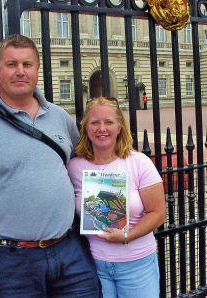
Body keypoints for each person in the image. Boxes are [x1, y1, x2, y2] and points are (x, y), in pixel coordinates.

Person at [0, 34, 100, 298]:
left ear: (37, 69)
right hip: (11, 263)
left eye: (27, 64)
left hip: (69, 252)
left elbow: (84, 168)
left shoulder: (59, 117)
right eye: (12, 64)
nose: (20, 71)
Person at [67, 96, 165, 298]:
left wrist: (127, 236)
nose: (101, 128)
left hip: (137, 265)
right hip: (93, 265)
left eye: (109, 122)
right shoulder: (74, 167)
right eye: (95, 122)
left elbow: (158, 213)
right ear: (86, 127)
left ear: (120, 127)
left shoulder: (139, 163)